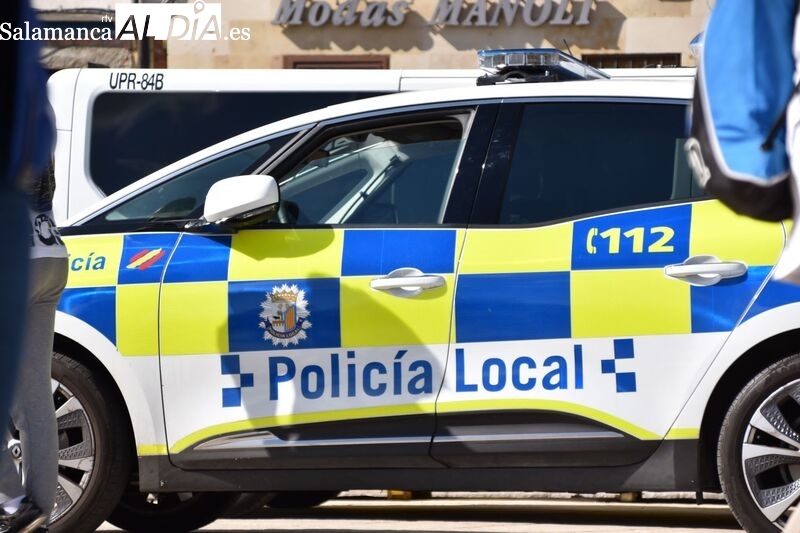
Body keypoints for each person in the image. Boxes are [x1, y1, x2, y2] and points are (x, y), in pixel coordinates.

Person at [0, 0, 59, 532]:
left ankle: (10, 501)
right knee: (35, 390)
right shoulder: (26, 65)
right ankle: (41, 504)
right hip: (47, 247)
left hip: (12, 242)